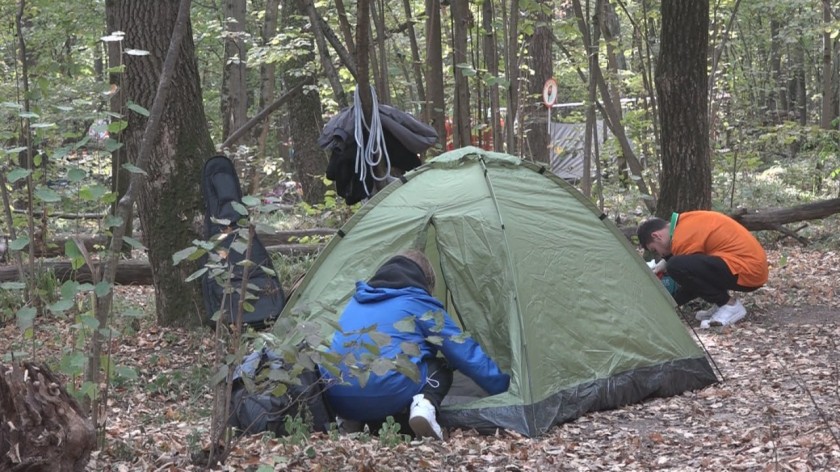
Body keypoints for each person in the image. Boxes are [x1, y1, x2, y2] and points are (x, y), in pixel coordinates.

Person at [320, 250, 510, 440]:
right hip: (387, 394)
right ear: (425, 281)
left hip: (337, 397)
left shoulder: (356, 301)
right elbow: (464, 351)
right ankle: (424, 406)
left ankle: (352, 422)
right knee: (442, 365)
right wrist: (504, 388)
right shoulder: (417, 301)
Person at [637, 211, 769, 328]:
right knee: (676, 264)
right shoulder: (684, 224)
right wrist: (664, 264)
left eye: (655, 250)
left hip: (749, 271)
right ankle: (721, 304)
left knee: (675, 265)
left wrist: (670, 302)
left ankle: (729, 305)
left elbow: (691, 280)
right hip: (750, 268)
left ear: (657, 236)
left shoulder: (681, 238)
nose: (660, 255)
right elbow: (700, 272)